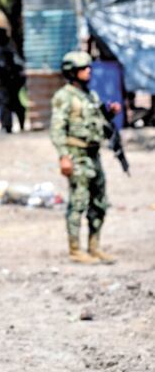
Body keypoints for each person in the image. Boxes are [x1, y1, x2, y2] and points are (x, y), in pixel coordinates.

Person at [50, 51, 119, 264]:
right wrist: (64, 157)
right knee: (78, 202)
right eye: (83, 68)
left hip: (93, 154)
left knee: (99, 202)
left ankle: (94, 246)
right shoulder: (64, 97)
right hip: (77, 155)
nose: (88, 71)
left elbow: (97, 121)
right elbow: (57, 129)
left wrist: (110, 114)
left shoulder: (90, 96)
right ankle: (75, 249)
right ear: (72, 72)